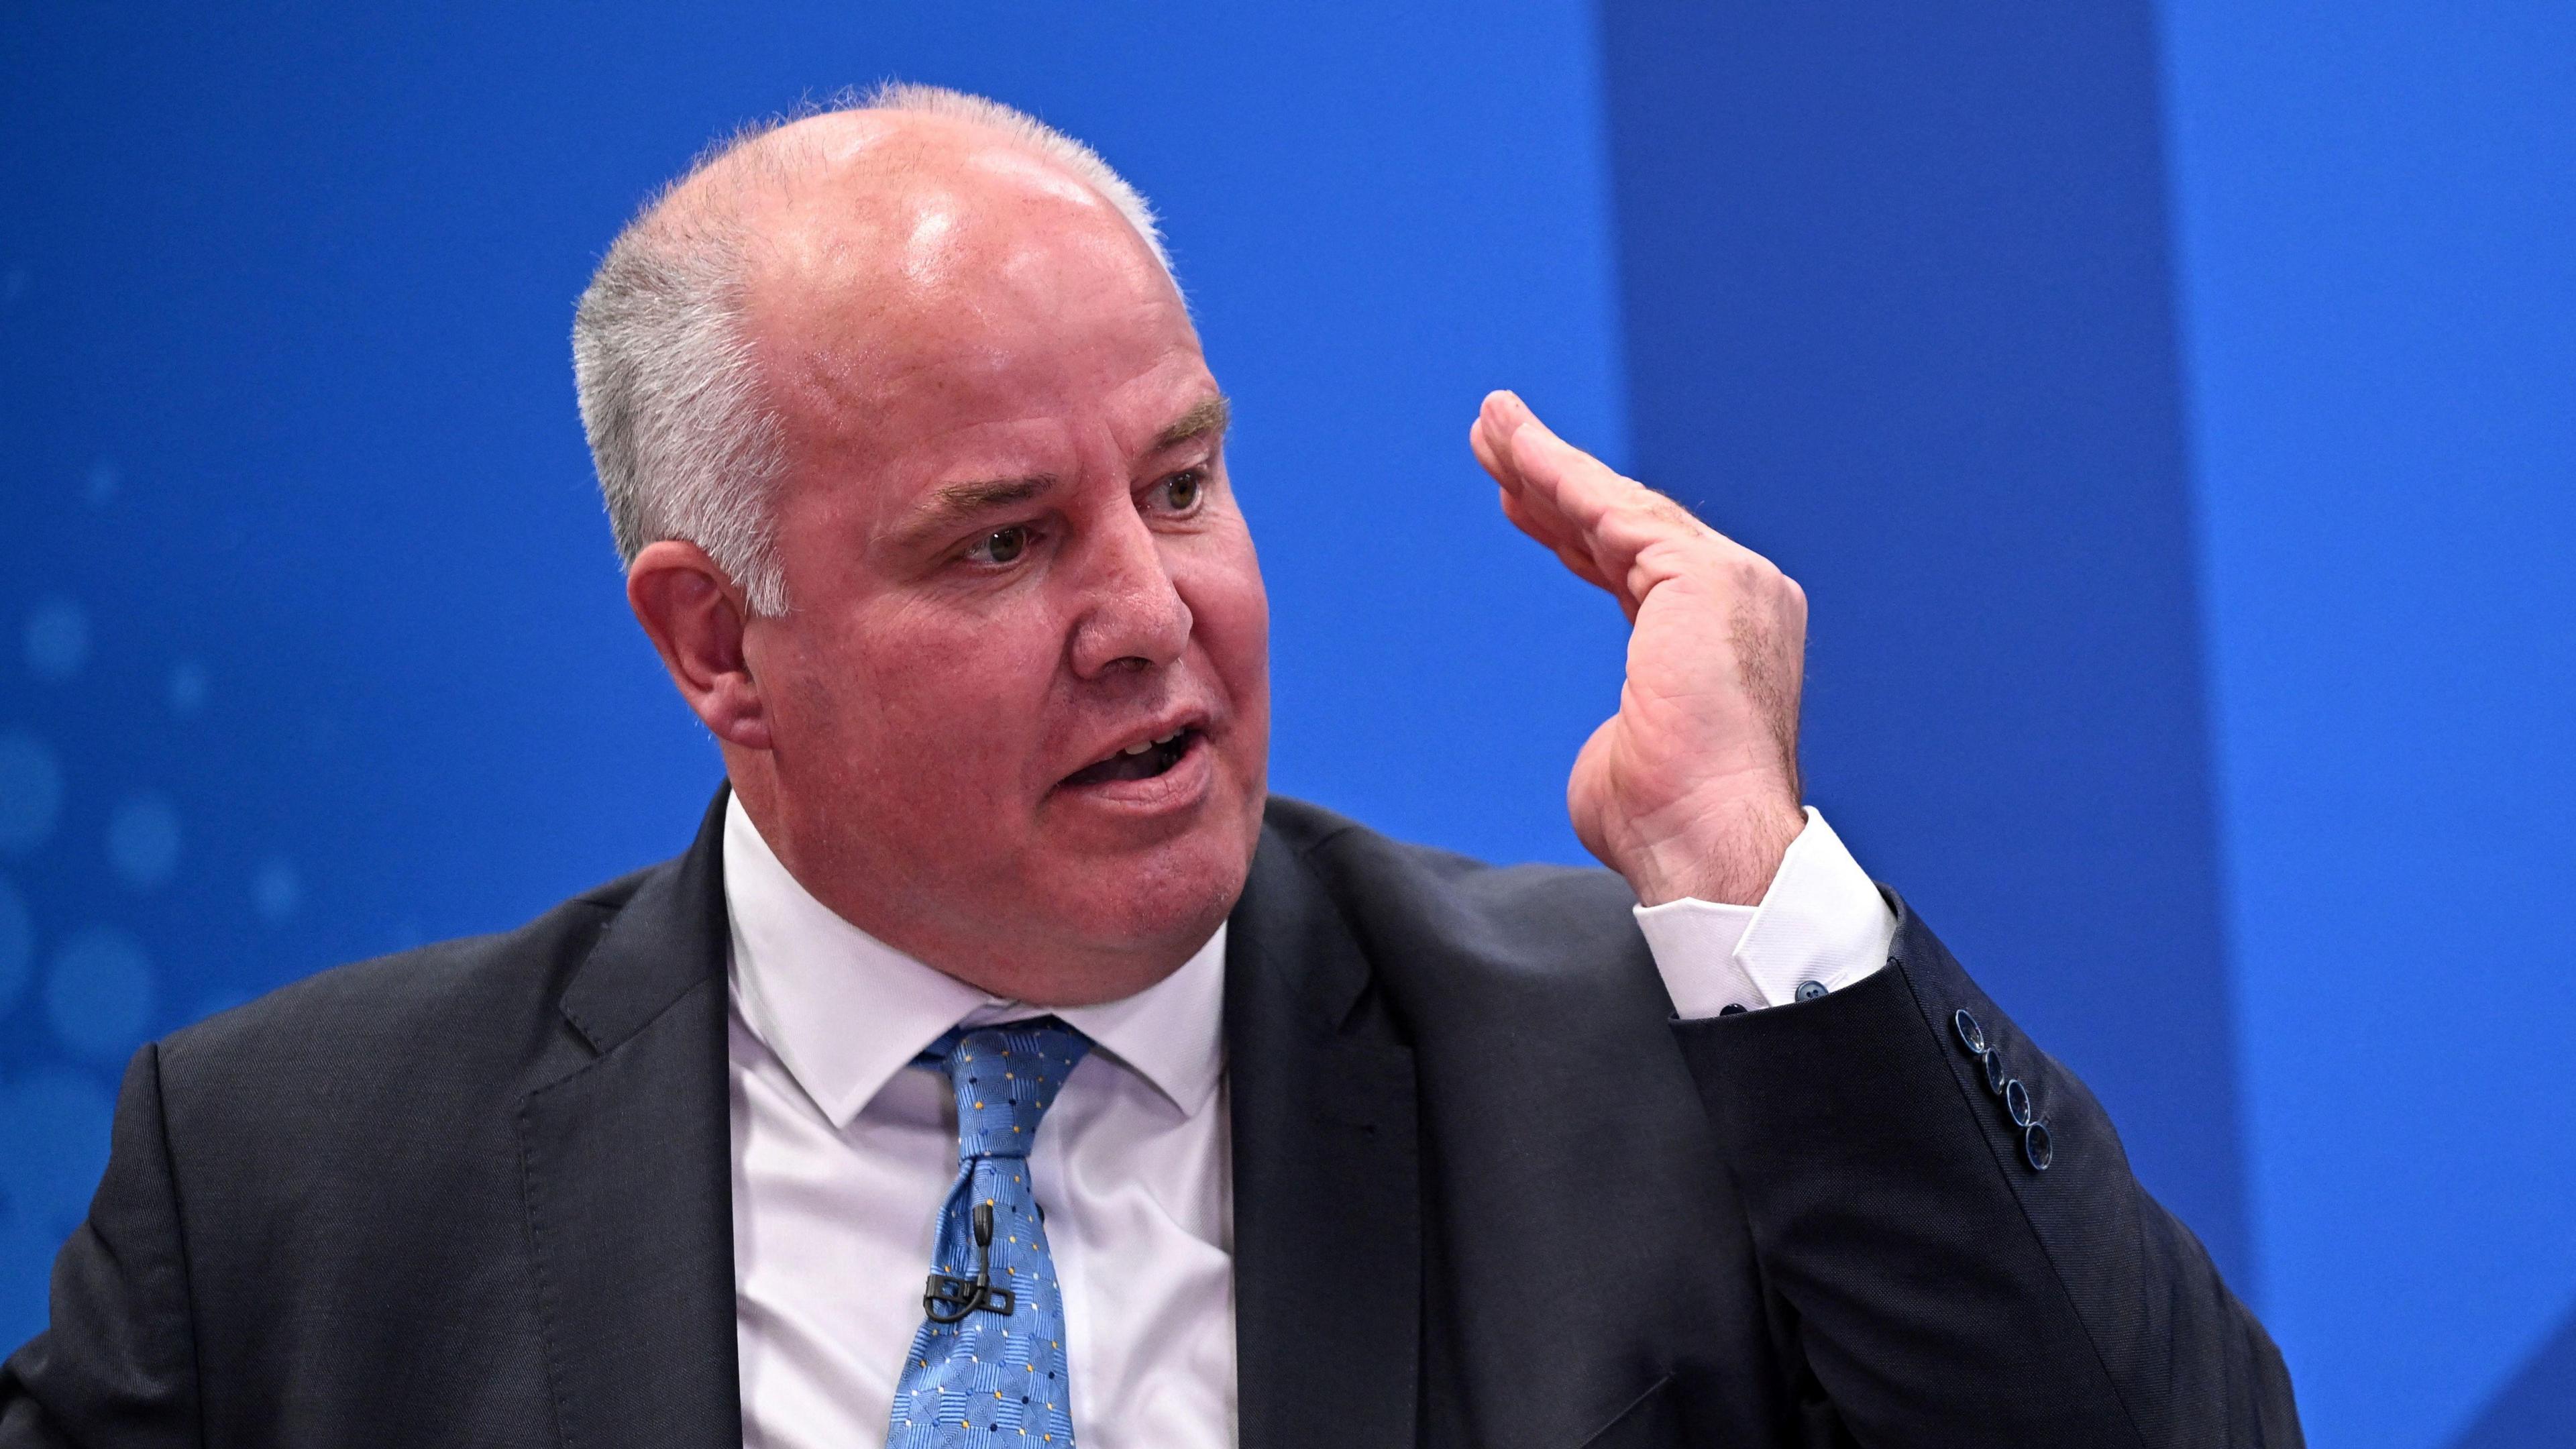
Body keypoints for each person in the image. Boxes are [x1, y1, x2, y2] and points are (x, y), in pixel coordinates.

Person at [0, 85, 2301, 1448]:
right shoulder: (294, 1186)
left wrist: (1750, 874)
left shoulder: (1646, 1053)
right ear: (720, 644)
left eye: (1181, 485)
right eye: (1004, 540)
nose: (1152, 609)